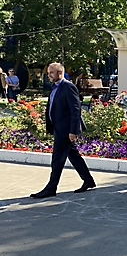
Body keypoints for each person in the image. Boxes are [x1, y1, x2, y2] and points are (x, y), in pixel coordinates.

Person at [30, 63, 96, 198]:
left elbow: (75, 110)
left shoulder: (68, 87)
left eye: (51, 73)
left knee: (57, 159)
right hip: (58, 127)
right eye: (48, 72)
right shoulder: (54, 87)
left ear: (60, 73)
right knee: (73, 155)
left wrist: (73, 131)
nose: (49, 75)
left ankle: (51, 188)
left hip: (66, 130)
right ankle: (88, 180)